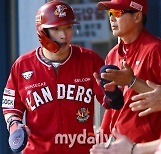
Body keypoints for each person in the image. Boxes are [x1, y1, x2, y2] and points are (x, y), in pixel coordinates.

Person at [1, 1, 122, 153]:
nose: (63, 35)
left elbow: (110, 103)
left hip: (80, 149)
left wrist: (113, 94)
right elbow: (10, 105)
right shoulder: (23, 65)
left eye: (68, 27)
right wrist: (15, 125)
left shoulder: (89, 60)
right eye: (56, 29)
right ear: (42, 31)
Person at [90, 0, 161, 153]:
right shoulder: (113, 54)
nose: (111, 18)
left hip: (150, 147)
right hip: (121, 146)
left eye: (117, 13)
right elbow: (113, 108)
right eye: (110, 13)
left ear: (137, 16)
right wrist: (101, 140)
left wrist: (131, 82)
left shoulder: (157, 50)